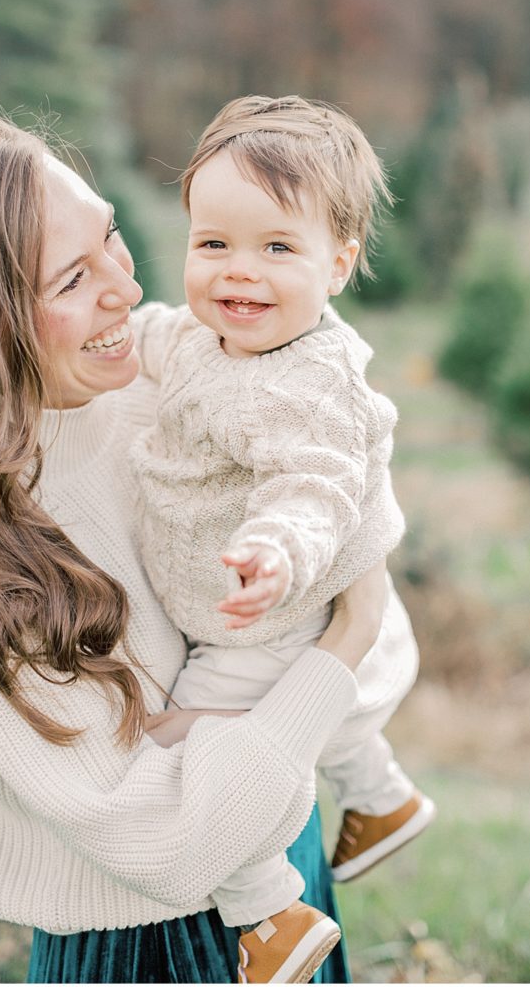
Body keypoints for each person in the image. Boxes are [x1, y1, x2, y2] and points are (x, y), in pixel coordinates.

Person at [0, 111, 388, 986]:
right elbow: (168, 838)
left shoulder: (154, 389)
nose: (124, 285)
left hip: (285, 866)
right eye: (72, 278)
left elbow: (331, 475)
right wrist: (349, 638)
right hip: (148, 944)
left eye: (110, 236)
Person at [129, 95, 436, 983]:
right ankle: (377, 796)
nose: (239, 272)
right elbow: (154, 337)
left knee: (186, 752)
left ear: (337, 264)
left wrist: (275, 550)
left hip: (263, 620)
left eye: (276, 248)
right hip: (241, 610)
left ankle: (266, 913)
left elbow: (314, 488)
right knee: (297, 737)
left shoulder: (307, 387)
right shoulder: (203, 336)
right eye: (213, 244)